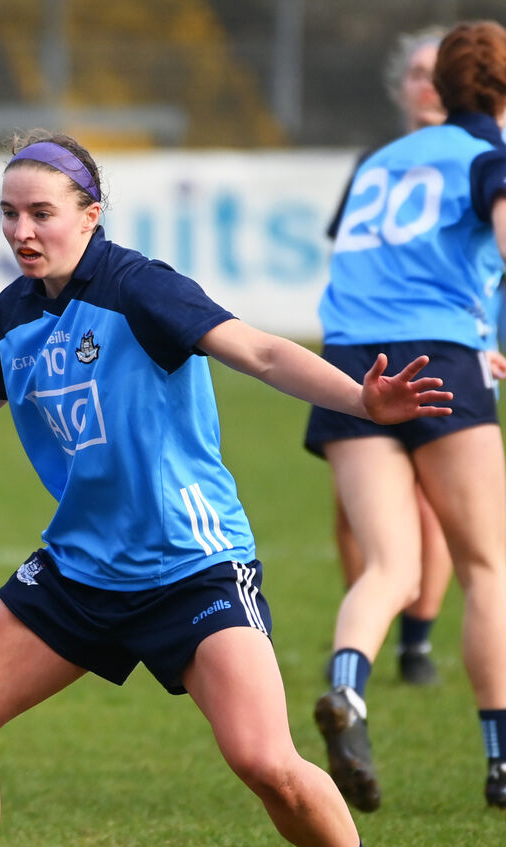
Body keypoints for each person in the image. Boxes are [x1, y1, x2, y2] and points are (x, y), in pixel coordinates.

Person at [0, 131, 453, 846]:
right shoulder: (13, 314)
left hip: (190, 566)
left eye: (42, 213)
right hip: (80, 568)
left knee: (266, 763)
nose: (22, 231)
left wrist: (360, 401)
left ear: (91, 214)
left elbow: (262, 352)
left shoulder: (140, 287)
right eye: (9, 213)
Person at [305, 19, 506, 813]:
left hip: (351, 362)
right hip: (441, 356)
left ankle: (348, 690)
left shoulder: (382, 160)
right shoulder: (489, 155)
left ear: (440, 86)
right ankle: (500, 761)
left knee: (389, 565)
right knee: (486, 566)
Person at [323, 26, 453, 687]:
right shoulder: (375, 162)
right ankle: (366, 628)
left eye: (440, 72)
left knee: (431, 502)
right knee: (354, 507)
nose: (427, 84)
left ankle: (416, 643)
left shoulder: (476, 159)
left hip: (441, 345)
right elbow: (346, 253)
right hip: (364, 345)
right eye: (417, 73)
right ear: (400, 85)